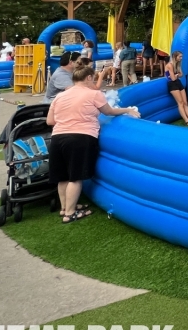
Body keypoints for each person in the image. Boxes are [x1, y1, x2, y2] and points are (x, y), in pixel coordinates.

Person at [47, 64, 139, 223]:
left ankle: (65, 208)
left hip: (57, 137)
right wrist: (127, 110)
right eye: (93, 78)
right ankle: (70, 213)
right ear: (88, 77)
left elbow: (50, 121)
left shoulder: (60, 96)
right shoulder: (94, 94)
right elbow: (109, 111)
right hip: (80, 137)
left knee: (62, 177)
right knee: (75, 177)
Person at [165, 50, 188, 125]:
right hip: (172, 84)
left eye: (181, 56)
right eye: (180, 56)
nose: (181, 58)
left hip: (178, 82)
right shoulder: (170, 65)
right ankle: (187, 121)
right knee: (180, 103)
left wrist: (176, 75)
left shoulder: (178, 64)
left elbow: (181, 74)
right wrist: (177, 75)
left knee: (185, 102)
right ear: (175, 57)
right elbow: (173, 79)